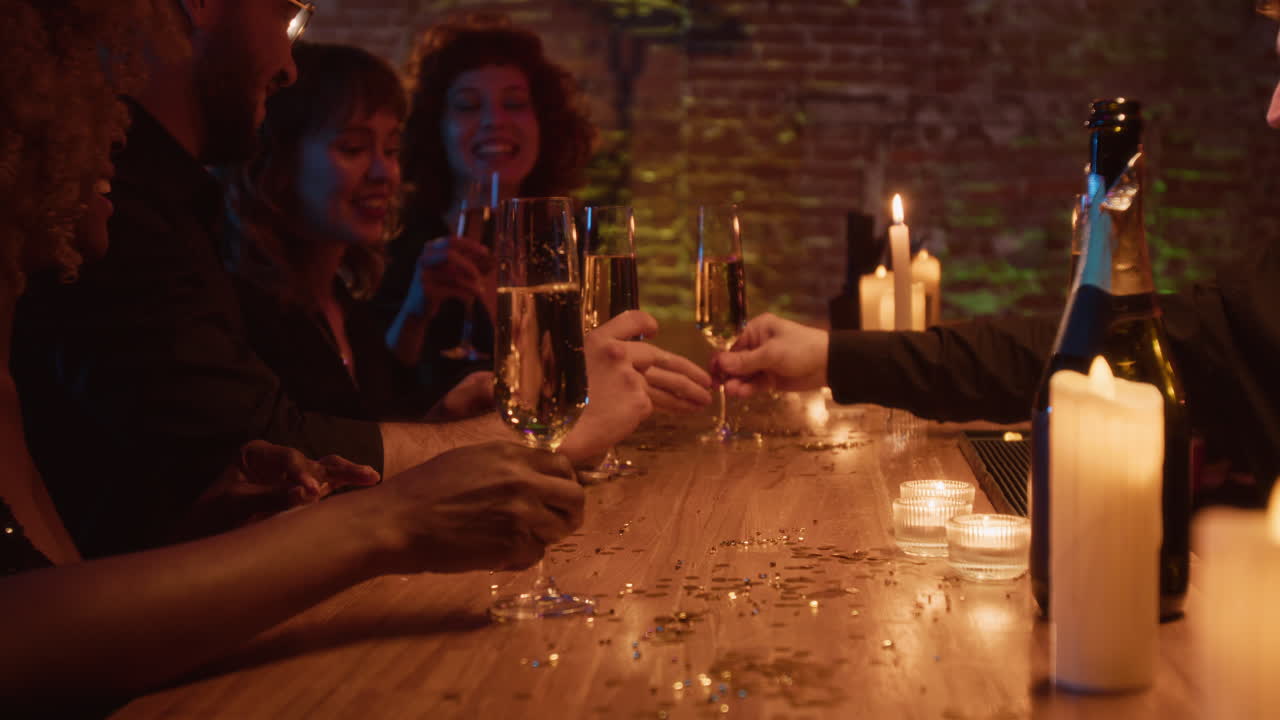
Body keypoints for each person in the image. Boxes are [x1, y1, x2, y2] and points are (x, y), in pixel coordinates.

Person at [0, 0, 584, 708]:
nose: (113, 152)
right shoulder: (196, 266)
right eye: (88, 116)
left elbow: (61, 588)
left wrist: (209, 525)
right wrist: (384, 521)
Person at [11, 0, 705, 558]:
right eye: (289, 12)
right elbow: (258, 447)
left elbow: (277, 451)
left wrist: (443, 429)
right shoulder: (140, 232)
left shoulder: (204, 232)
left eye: (390, 149)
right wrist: (532, 429)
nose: (286, 65)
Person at [378, 13, 597, 407]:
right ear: (436, 127)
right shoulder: (398, 248)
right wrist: (415, 313)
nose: (494, 121)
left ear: (543, 123)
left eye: (514, 103)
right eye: (468, 106)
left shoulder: (572, 240)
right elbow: (377, 397)